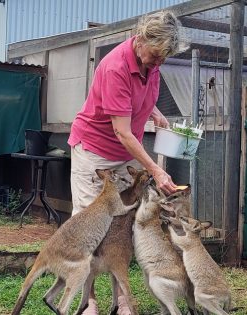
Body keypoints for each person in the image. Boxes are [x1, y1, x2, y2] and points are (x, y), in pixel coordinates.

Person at [67, 10, 186, 315]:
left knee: (122, 226)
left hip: (123, 154)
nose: (157, 63)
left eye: (163, 59)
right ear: (142, 39)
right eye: (155, 56)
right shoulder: (115, 67)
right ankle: (89, 301)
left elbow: (139, 93)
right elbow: (122, 130)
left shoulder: (152, 61)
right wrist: (155, 169)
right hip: (94, 151)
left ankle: (122, 301)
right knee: (90, 226)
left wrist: (154, 111)